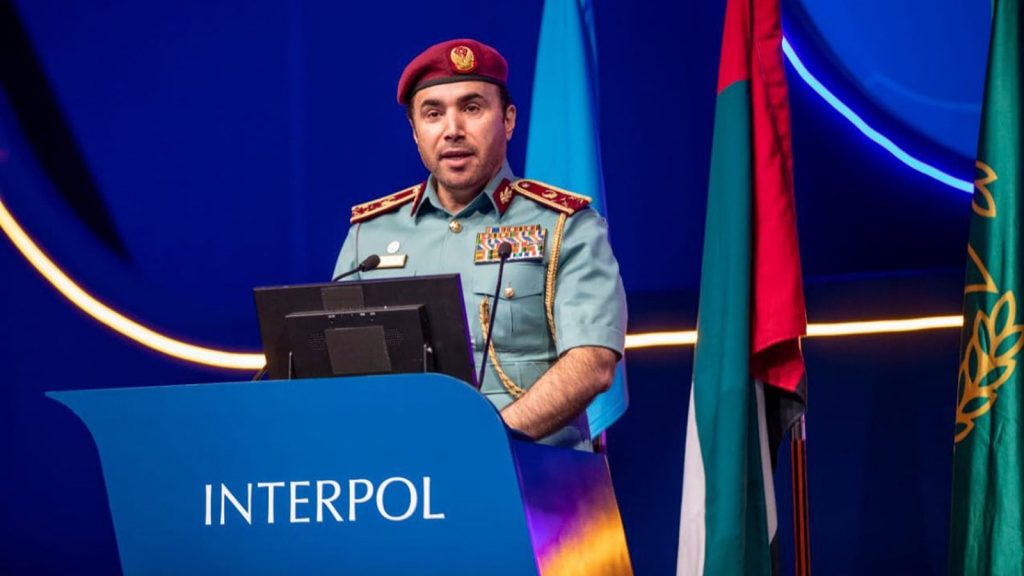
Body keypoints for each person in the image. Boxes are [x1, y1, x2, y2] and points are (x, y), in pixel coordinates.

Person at [333, 38, 626, 450]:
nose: (452, 130)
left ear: (508, 120)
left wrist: (483, 445)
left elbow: (592, 363)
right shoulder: (370, 235)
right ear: (415, 131)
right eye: (433, 113)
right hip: (401, 473)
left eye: (471, 108)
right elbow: (336, 369)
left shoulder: (566, 226)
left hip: (530, 472)